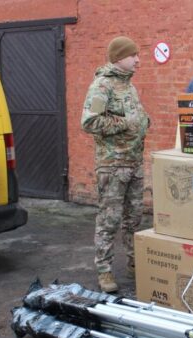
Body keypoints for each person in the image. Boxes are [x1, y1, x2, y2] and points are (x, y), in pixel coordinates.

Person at [81, 36, 149, 293]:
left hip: (134, 162)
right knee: (109, 220)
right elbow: (89, 122)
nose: (138, 60)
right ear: (119, 57)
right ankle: (104, 270)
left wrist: (144, 121)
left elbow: (134, 115)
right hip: (113, 165)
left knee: (134, 218)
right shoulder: (102, 86)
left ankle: (134, 262)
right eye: (133, 55)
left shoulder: (129, 86)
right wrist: (125, 124)